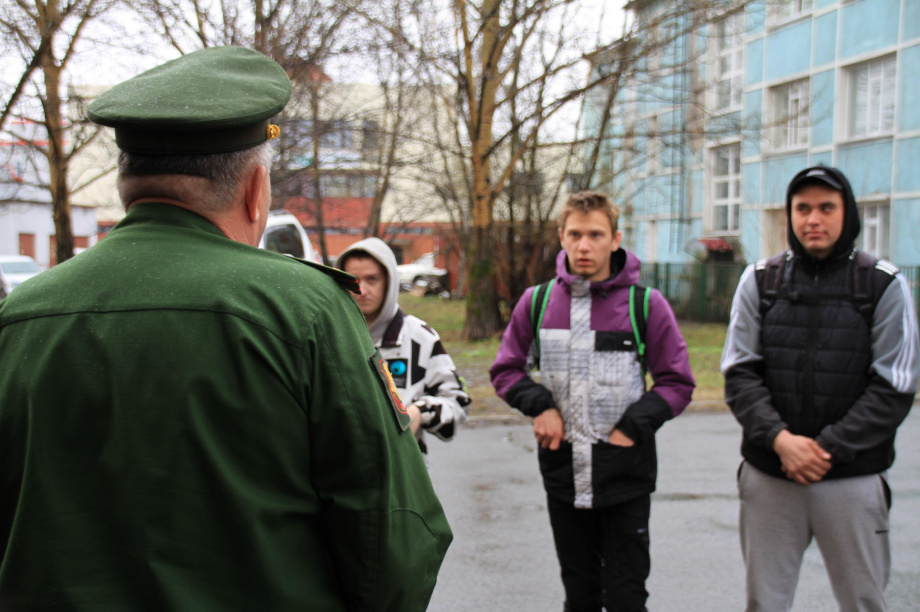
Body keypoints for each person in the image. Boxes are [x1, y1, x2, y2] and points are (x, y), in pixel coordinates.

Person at [0, 46, 451, 611]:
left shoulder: (20, 317)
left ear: (125, 183)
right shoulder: (305, 309)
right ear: (256, 190)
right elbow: (391, 538)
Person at [721, 165, 919, 611]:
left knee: (863, 601)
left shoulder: (882, 284)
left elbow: (895, 385)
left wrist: (825, 449)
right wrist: (781, 441)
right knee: (764, 602)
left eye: (826, 207)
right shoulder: (760, 280)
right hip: (771, 474)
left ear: (848, 213)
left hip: (852, 477)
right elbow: (739, 372)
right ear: (790, 214)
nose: (813, 219)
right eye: (802, 208)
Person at [490, 191, 695, 612]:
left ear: (615, 239)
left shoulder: (644, 305)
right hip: (563, 474)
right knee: (580, 594)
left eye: (596, 235)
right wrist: (541, 406)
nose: (584, 246)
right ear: (561, 237)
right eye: (576, 234)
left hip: (625, 474)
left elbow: (676, 382)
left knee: (625, 597)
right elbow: (506, 370)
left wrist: (630, 428)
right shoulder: (537, 302)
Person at [337, 238, 471, 455]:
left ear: (389, 281)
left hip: (402, 468)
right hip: (339, 469)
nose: (362, 289)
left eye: (372, 279)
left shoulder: (419, 338)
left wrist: (420, 412)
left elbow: (457, 402)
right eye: (353, 280)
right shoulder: (328, 336)